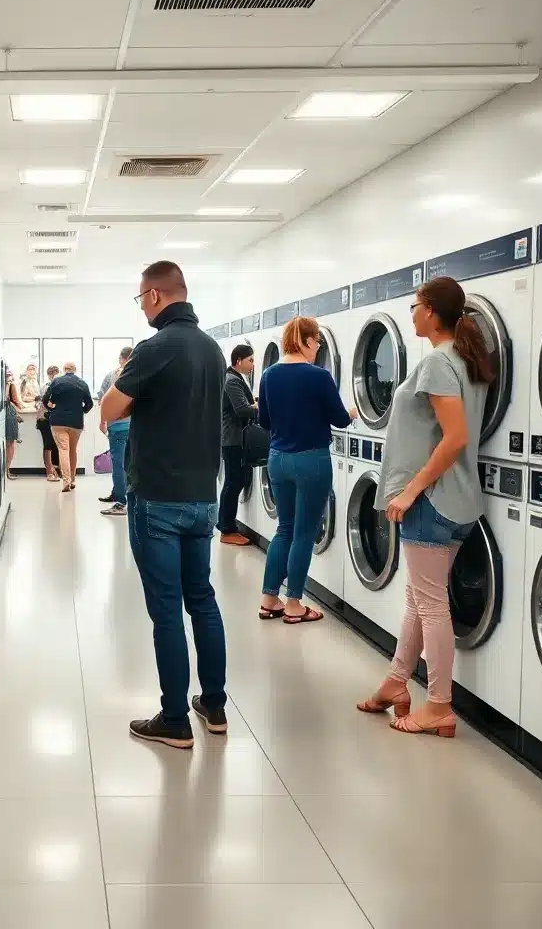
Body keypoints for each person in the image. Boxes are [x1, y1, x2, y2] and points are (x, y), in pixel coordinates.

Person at [100, 260, 228, 750]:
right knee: (203, 599)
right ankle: (213, 704)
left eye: (141, 299)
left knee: (167, 611)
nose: (142, 308)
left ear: (154, 296)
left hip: (158, 499)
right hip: (203, 497)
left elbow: (110, 408)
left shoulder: (157, 347)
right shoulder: (212, 350)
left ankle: (174, 718)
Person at [358, 276, 491, 737]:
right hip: (461, 500)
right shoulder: (465, 359)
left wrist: (411, 490)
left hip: (432, 502)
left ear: (432, 312)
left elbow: (454, 438)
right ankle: (396, 683)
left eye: (415, 306)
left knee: (430, 604)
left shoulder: (437, 361)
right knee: (420, 597)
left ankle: (439, 705)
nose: (411, 313)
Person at [258, 316, 355, 624]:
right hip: (311, 460)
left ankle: (268, 599)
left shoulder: (269, 374)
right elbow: (340, 419)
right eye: (317, 342)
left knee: (284, 529)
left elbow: (264, 422)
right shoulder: (318, 376)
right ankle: (294, 604)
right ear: (306, 341)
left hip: (277, 458)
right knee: (304, 533)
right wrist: (352, 412)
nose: (317, 348)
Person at [218, 343, 258, 545]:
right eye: (250, 360)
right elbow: (242, 410)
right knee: (234, 482)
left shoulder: (234, 378)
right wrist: (261, 407)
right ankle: (227, 529)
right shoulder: (232, 380)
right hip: (234, 439)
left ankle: (228, 526)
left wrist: (254, 402)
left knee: (234, 481)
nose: (253, 364)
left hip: (234, 439)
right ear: (238, 361)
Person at [41, 361, 93, 493]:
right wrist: (82, 410)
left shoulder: (57, 382)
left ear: (64, 370)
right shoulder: (82, 383)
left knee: (63, 449)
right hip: (76, 422)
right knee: (72, 450)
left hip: (58, 421)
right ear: (75, 370)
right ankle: (73, 480)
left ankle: (66, 481)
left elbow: (45, 399)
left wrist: (50, 409)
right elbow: (89, 403)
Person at [98, 345, 133, 516]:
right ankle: (119, 494)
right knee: (129, 463)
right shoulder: (138, 373)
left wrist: (103, 420)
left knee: (118, 464)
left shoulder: (113, 375)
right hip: (132, 426)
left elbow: (103, 399)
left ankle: (121, 502)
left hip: (117, 426)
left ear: (121, 358)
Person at [36, 364, 61, 481]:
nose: (54, 375)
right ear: (49, 375)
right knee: (48, 445)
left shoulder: (56, 385)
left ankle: (55, 471)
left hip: (53, 418)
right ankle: (49, 472)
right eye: (52, 373)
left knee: (54, 445)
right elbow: (45, 402)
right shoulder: (46, 387)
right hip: (45, 419)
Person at [4, 370, 24, 480]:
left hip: (6, 415)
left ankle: (6, 470)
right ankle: (7, 470)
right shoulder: (9, 386)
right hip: (9, 415)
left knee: (8, 444)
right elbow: (14, 400)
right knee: (10, 444)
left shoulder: (8, 386)